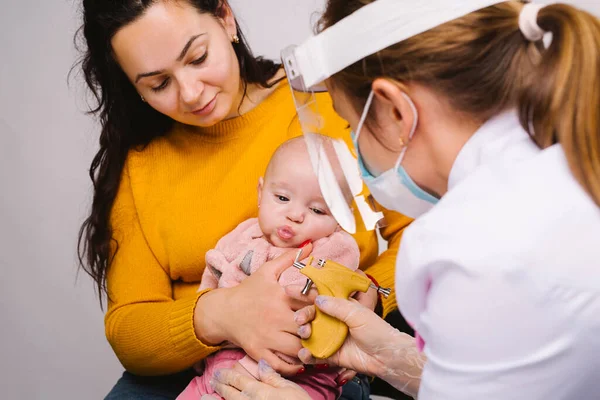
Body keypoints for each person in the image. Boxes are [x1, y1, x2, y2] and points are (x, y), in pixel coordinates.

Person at [207, 0, 600, 399]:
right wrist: (393, 359)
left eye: (348, 124)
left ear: (395, 110)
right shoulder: (568, 164)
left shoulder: (464, 247)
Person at [75, 0, 411, 398]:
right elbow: (129, 327)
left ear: (224, 17)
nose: (190, 92)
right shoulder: (140, 163)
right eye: (158, 84)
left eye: (198, 57)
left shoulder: (323, 103)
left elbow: (420, 233)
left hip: (321, 360)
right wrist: (223, 313)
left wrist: (371, 292)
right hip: (188, 370)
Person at [178, 137, 361, 400]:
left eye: (318, 210)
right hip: (219, 365)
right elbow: (210, 281)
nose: (295, 214)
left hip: (297, 376)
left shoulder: (333, 250)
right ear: (260, 194)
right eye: (283, 197)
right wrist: (201, 350)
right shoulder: (242, 235)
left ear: (342, 218)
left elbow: (321, 313)